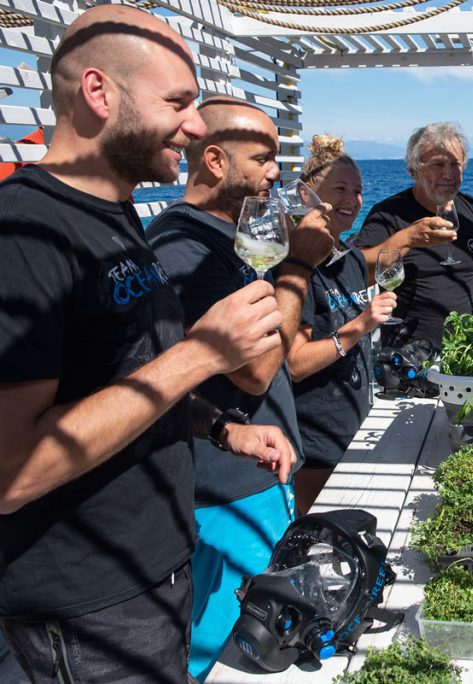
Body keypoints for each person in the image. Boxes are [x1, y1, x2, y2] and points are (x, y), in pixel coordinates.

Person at [0, 7, 294, 682]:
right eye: (178, 103)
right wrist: (203, 355)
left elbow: (121, 379)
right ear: (99, 94)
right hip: (88, 604)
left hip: (158, 566)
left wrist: (220, 429)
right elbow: (12, 473)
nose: (194, 128)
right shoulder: (24, 234)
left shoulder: (117, 213)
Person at [147, 97, 334, 681]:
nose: (276, 173)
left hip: (257, 473)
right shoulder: (184, 247)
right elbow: (253, 370)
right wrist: (298, 266)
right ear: (214, 160)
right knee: (221, 648)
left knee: (258, 639)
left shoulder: (227, 237)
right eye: (264, 158)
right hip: (223, 488)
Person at [288, 134, 397, 514]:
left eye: (359, 190)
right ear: (307, 196)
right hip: (314, 440)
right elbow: (295, 364)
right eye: (340, 189)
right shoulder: (297, 266)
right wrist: (362, 324)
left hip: (353, 428)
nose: (352, 199)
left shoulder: (349, 258)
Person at [353, 122, 473, 348]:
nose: (448, 174)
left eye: (456, 164)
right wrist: (408, 238)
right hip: (408, 357)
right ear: (414, 170)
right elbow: (358, 273)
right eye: (438, 164)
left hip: (465, 353)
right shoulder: (388, 213)